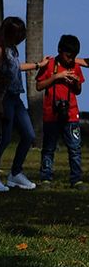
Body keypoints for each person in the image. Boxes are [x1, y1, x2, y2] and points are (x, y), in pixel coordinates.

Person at [0, 17, 48, 192]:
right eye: (19, 33)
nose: (22, 37)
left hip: (16, 98)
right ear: (11, 33)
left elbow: (15, 68)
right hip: (4, 99)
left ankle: (16, 173)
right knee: (4, 138)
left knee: (29, 135)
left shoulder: (12, 50)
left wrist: (37, 65)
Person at [37, 35, 86, 190]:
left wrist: (75, 81)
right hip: (51, 114)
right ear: (60, 50)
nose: (71, 60)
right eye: (68, 56)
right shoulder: (49, 64)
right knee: (49, 148)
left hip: (71, 114)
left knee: (75, 148)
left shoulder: (75, 67)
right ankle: (46, 178)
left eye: (74, 57)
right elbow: (39, 86)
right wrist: (56, 77)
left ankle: (76, 179)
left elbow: (78, 91)